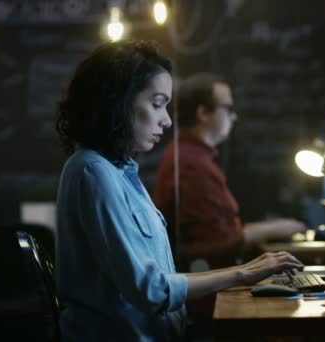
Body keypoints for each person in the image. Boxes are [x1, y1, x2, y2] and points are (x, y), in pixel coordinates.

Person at [54, 41, 303, 341]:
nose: (167, 120)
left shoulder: (116, 170)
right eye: (157, 104)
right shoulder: (94, 172)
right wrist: (243, 274)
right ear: (118, 100)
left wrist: (248, 271)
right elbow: (151, 291)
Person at [152, 73, 307, 272]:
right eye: (228, 108)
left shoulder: (192, 156)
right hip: (208, 289)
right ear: (203, 113)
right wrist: (278, 228)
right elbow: (219, 242)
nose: (234, 117)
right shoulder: (192, 164)